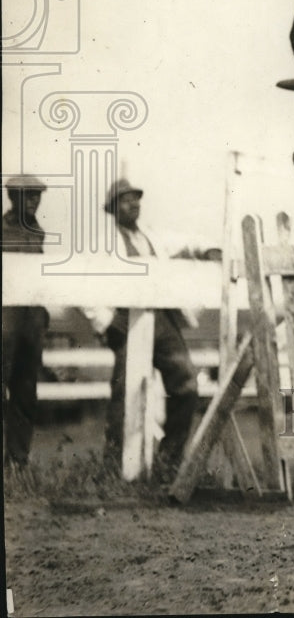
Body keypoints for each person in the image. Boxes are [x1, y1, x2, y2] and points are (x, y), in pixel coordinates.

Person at [98, 179, 198, 481]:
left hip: (161, 319)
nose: (134, 204)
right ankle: (115, 472)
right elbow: (85, 283)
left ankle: (168, 464)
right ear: (113, 208)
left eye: (137, 199)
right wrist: (104, 321)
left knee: (187, 384)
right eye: (126, 200)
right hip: (127, 321)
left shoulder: (151, 237)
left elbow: (187, 244)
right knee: (125, 396)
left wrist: (207, 252)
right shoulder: (105, 242)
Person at [2, 175, 49, 467]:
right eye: (28, 195)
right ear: (13, 198)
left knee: (25, 392)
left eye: (37, 195)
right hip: (5, 321)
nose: (34, 200)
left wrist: (41, 316)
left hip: (30, 323)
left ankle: (19, 461)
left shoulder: (38, 231)